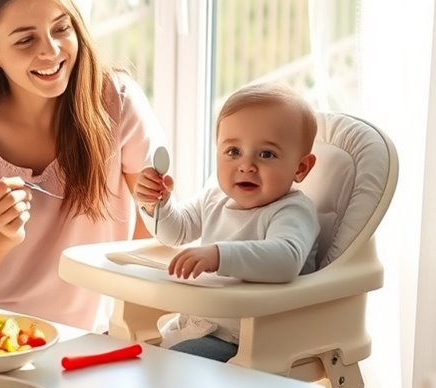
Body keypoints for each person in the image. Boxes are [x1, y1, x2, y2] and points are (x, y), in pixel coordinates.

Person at [0, 0, 165, 331]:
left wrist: (127, 321)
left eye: (61, 28)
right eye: (26, 40)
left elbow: (154, 232)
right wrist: (1, 236)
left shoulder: (117, 101)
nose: (52, 50)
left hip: (91, 334)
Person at [135, 81, 319, 362]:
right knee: (128, 356)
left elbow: (286, 259)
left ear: (301, 167)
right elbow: (176, 231)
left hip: (248, 339)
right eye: (233, 151)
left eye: (266, 154)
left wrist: (217, 256)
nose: (246, 166)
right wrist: (156, 204)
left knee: (168, 367)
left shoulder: (292, 211)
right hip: (201, 325)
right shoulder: (215, 198)